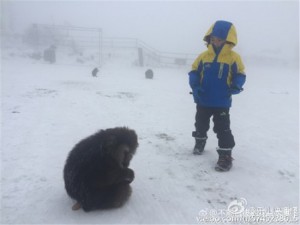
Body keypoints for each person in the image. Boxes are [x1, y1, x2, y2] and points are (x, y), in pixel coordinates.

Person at [188, 20, 246, 172]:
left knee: (223, 129)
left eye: (220, 40)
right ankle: (200, 142)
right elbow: (194, 72)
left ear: (228, 41)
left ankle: (225, 156)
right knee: (200, 124)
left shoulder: (233, 58)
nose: (216, 42)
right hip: (203, 99)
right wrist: (195, 87)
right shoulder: (203, 57)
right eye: (213, 39)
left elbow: (240, 73)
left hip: (222, 101)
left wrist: (237, 85)